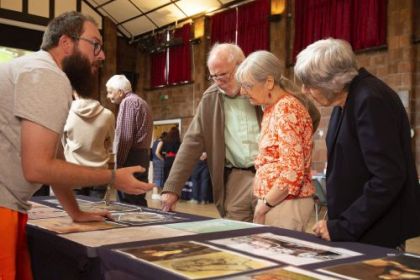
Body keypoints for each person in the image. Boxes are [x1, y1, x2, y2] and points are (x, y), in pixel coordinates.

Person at [0, 11, 153, 279]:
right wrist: (112, 176)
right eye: (95, 44)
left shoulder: (32, 69)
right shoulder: (48, 74)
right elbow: (37, 168)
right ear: (66, 43)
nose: (102, 55)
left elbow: (54, 157)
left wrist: (75, 212)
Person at [294, 38, 420, 248]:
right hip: (359, 227)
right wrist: (335, 222)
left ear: (332, 81)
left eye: (310, 84)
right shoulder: (344, 101)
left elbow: (388, 178)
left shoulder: (370, 99)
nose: (305, 91)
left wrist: (344, 225)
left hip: (378, 231)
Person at [160, 43, 261, 221]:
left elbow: (308, 116)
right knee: (235, 234)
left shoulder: (267, 85)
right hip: (238, 176)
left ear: (242, 65)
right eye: (214, 76)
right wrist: (172, 188)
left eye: (223, 75)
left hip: (272, 174)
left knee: (275, 235)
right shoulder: (210, 99)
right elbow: (192, 143)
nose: (219, 81)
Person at [235, 50, 318, 231]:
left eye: (247, 85)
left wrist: (264, 206)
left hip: (284, 204)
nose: (242, 92)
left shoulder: (286, 108)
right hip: (276, 202)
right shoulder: (272, 108)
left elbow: (292, 172)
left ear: (269, 82)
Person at [106, 74, 153, 207]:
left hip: (131, 157)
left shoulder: (128, 102)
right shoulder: (141, 101)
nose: (108, 96)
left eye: (110, 92)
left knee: (128, 203)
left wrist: (119, 165)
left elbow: (124, 138)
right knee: (138, 198)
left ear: (120, 92)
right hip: (141, 156)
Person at [62, 91, 115, 198]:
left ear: (74, 92)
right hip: (99, 172)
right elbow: (110, 142)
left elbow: (63, 142)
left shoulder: (65, 113)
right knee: (96, 213)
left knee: (75, 213)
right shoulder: (108, 114)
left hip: (74, 171)